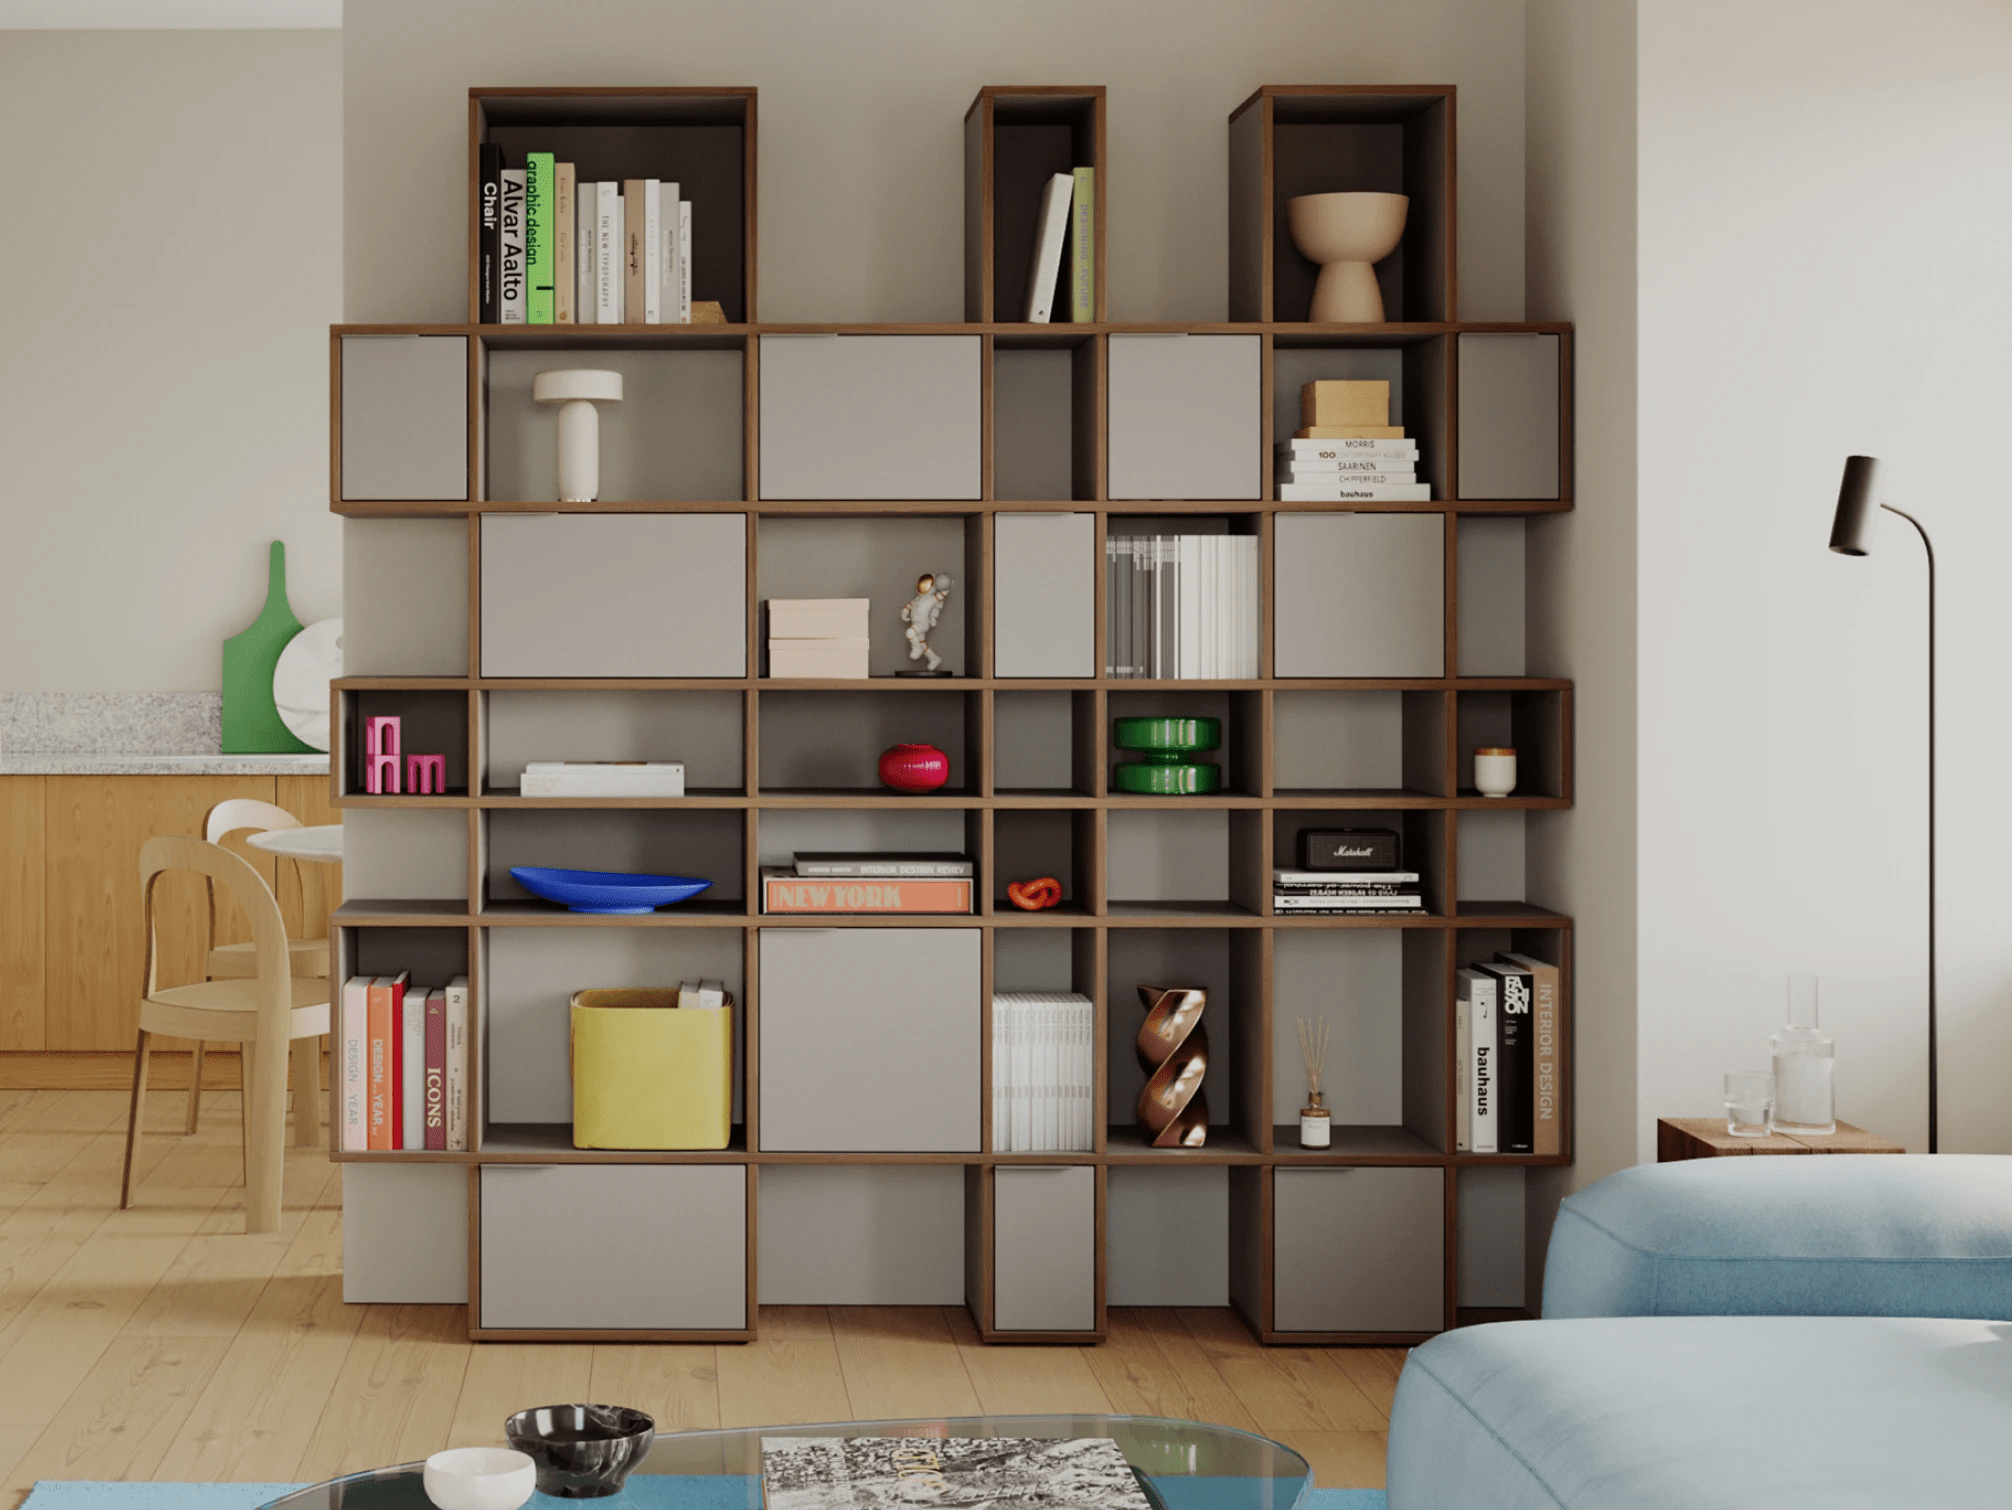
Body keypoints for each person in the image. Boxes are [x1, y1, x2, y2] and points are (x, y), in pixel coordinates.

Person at [900, 572, 952, 673]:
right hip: (917, 623)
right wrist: (904, 612)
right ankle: (934, 658)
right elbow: (909, 606)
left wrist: (945, 584)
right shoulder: (918, 599)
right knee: (922, 644)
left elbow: (942, 594)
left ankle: (916, 649)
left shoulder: (931, 599)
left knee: (910, 632)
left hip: (922, 624)